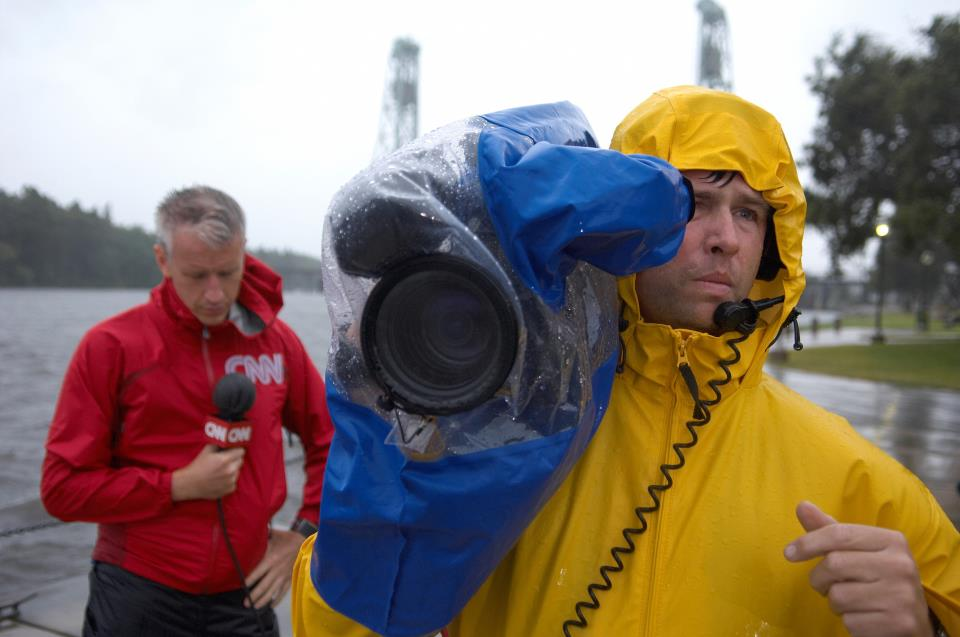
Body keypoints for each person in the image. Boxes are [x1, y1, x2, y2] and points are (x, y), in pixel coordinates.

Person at [290, 86, 959, 636]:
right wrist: (392, 452)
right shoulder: (504, 430)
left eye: (750, 212)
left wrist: (920, 630)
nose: (725, 238)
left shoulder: (860, 481)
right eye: (693, 202)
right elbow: (338, 624)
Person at [41, 186, 334, 636]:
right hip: (139, 590)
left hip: (246, 590)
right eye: (197, 275)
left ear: (243, 254)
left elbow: (330, 441)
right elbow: (62, 489)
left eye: (228, 272)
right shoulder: (111, 347)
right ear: (162, 260)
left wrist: (303, 534)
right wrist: (176, 485)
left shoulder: (277, 343)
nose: (215, 294)